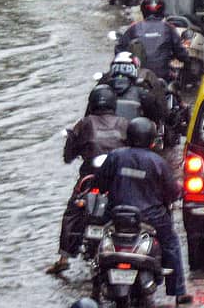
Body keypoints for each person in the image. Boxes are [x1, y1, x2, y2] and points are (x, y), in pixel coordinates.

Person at [97, 117, 193, 306]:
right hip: (152, 217)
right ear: (151, 139)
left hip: (117, 216)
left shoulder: (115, 156)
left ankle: (96, 281)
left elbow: (100, 184)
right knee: (171, 244)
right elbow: (172, 192)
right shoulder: (157, 162)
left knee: (96, 240)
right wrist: (181, 191)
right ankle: (178, 292)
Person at [47, 86, 129, 276]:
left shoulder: (84, 124)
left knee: (72, 213)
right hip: (118, 179)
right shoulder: (124, 123)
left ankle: (64, 258)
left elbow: (68, 156)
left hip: (89, 180)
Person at [115, 0, 188, 83]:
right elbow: (182, 54)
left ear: (143, 10)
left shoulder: (134, 28)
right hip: (162, 76)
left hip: (137, 77)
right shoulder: (168, 28)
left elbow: (119, 51)